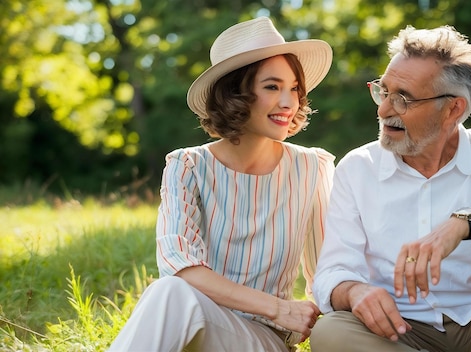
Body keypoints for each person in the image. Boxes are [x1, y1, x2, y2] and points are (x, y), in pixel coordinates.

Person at [310, 25, 471, 352]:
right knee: (330, 333)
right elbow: (332, 272)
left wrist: (463, 224)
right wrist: (353, 292)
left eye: (402, 98)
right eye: (383, 91)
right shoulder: (357, 168)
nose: (383, 110)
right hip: (398, 334)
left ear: (453, 109)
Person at [108, 17, 334, 352]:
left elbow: (326, 272)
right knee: (170, 291)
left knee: (170, 295)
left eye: (294, 89)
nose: (289, 103)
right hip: (191, 328)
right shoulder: (188, 166)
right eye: (272, 87)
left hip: (263, 341)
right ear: (235, 94)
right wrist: (279, 308)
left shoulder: (311, 167)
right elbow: (179, 264)